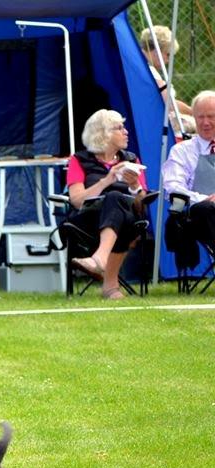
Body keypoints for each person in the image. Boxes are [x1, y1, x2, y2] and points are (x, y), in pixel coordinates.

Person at [67, 109, 149, 300]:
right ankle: (110, 286)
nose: (125, 131)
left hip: (129, 218)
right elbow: (77, 200)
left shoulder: (131, 160)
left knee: (116, 199)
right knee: (112, 196)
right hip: (90, 219)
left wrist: (135, 185)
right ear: (102, 133)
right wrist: (107, 180)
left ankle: (99, 260)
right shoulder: (79, 160)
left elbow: (142, 202)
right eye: (119, 127)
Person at [162, 91, 215, 248]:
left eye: (211, 116)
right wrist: (206, 199)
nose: (205, 122)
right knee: (205, 209)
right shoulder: (181, 151)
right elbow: (173, 188)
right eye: (200, 116)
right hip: (200, 217)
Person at [139, 26, 194, 137]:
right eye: (167, 54)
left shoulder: (141, 66)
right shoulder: (148, 71)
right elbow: (170, 103)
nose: (168, 60)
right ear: (156, 51)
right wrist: (194, 113)